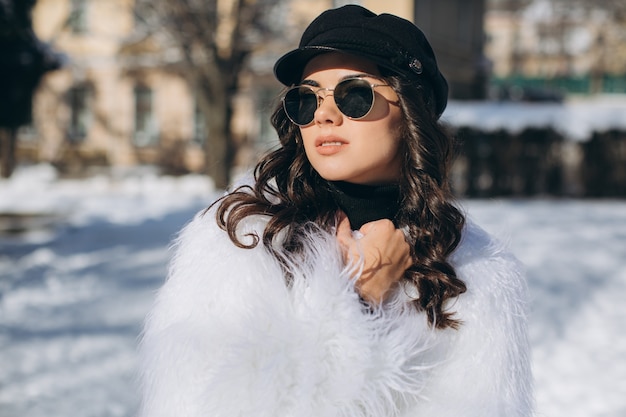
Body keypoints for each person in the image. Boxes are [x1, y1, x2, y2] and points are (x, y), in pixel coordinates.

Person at [137, 5, 533, 417]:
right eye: (306, 100)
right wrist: (362, 302)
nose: (324, 114)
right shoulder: (241, 244)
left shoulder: (477, 272)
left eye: (355, 95)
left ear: (410, 114)